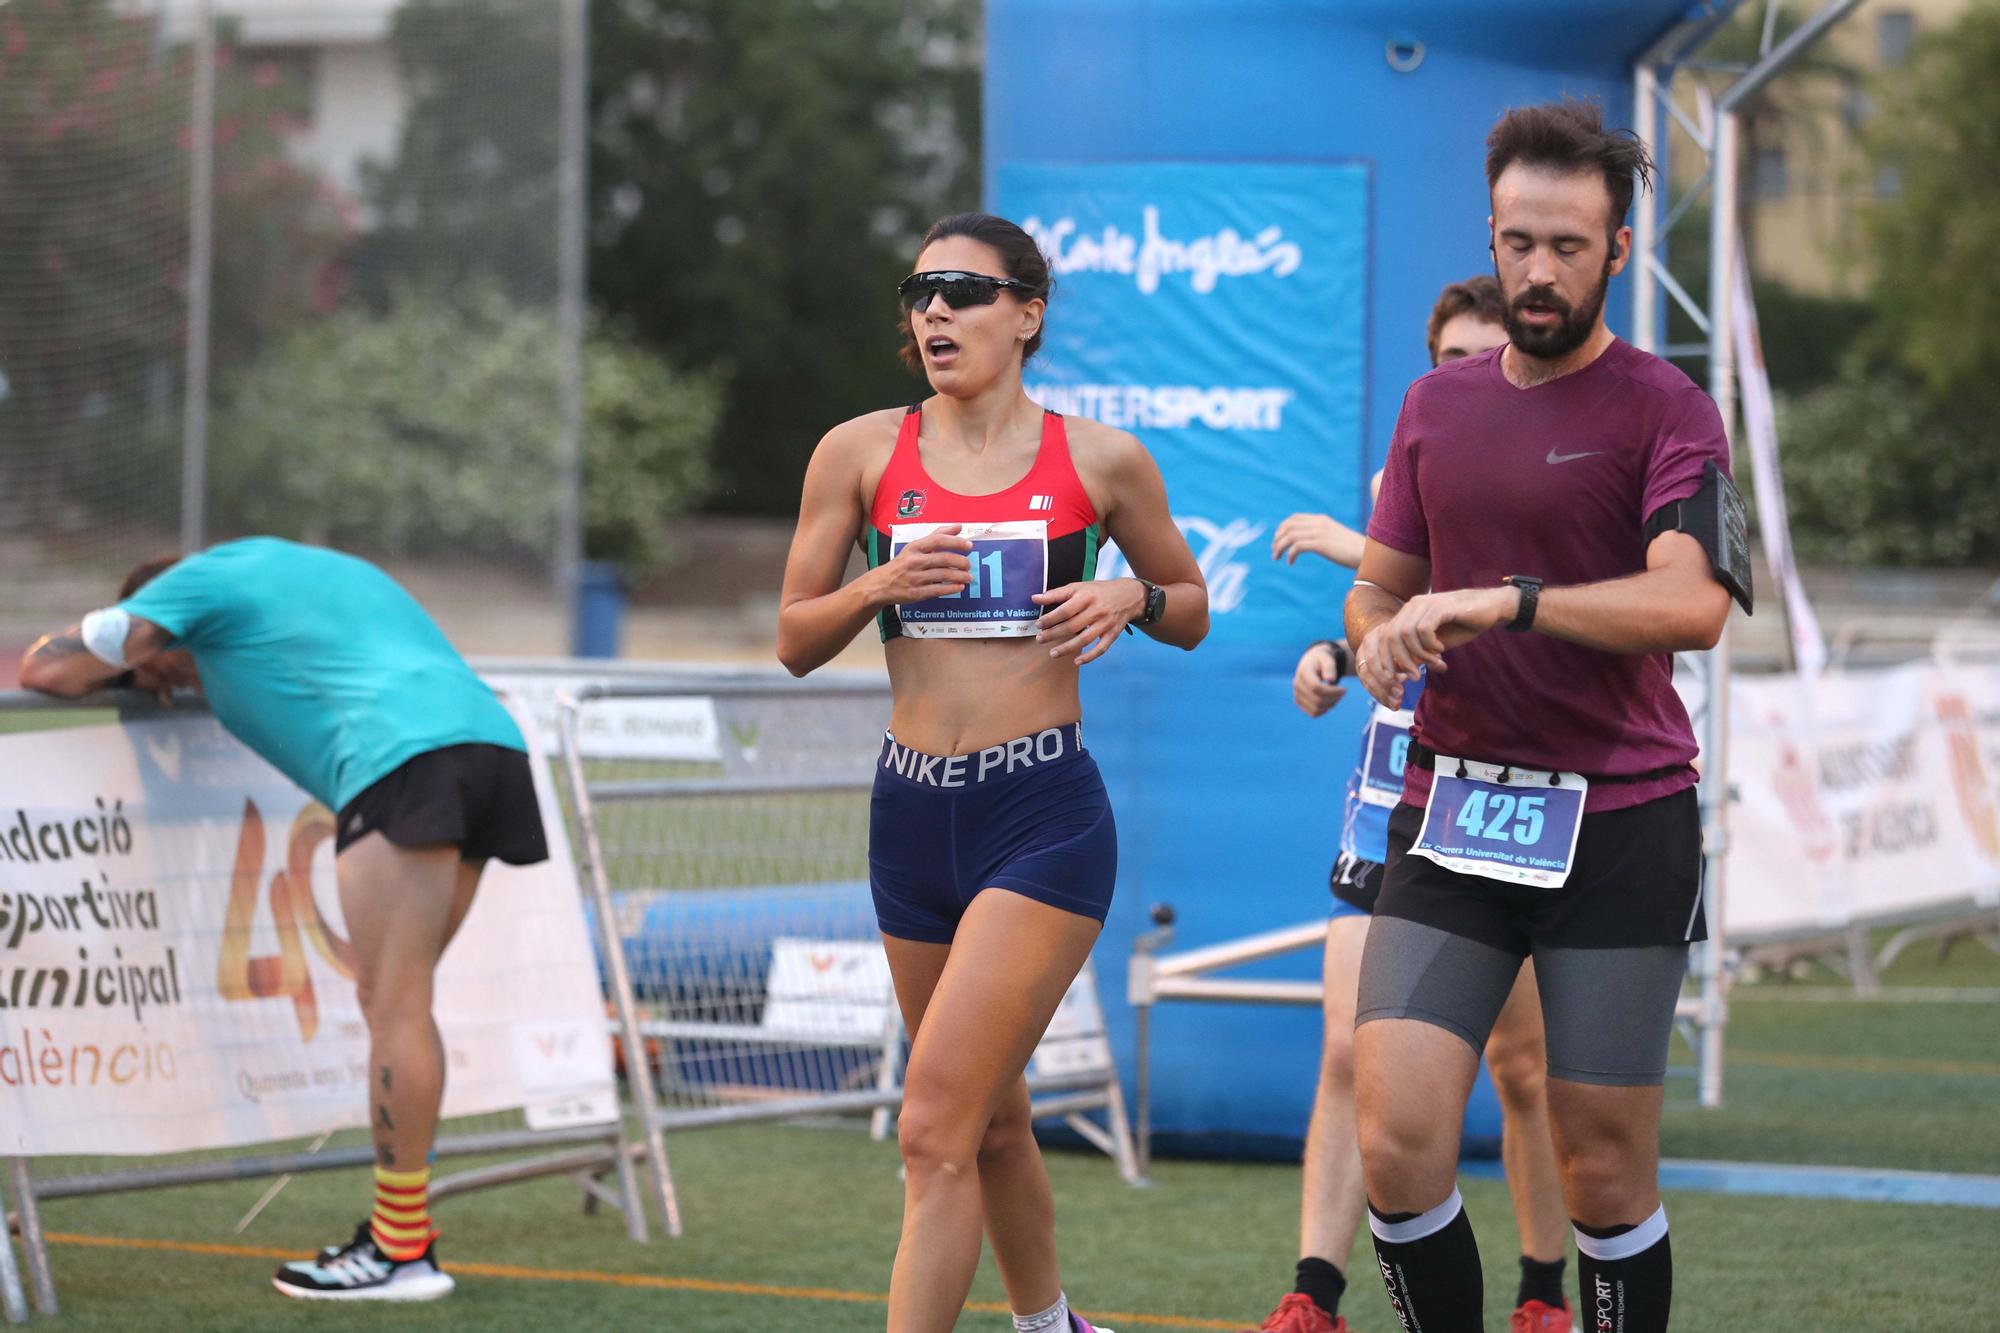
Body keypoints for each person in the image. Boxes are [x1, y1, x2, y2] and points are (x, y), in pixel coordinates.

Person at [1344, 99, 1742, 1333]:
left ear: (1617, 252)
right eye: (1517, 241)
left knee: (1603, 1167)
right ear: (1491, 235)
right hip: (1453, 810)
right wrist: (1374, 645)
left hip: (1620, 820)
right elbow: (1379, 586)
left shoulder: (1666, 409)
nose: (1537, 269)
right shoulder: (1435, 407)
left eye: (1567, 246)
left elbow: (1692, 605)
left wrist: (1514, 603)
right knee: (1395, 1138)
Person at [777, 211, 1208, 1333]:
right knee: (992, 1117)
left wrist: (1131, 596)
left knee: (930, 1127)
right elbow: (792, 638)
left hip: (1042, 816)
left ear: (1027, 313)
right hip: (910, 816)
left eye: (963, 291)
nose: (934, 312)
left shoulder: (1100, 458)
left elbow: (1191, 607)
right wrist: (877, 586)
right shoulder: (859, 451)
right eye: (919, 292)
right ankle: (1048, 1323)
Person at [19, 538, 548, 1303]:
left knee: (394, 1006)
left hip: (400, 757)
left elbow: (49, 668)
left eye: (160, 671)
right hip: (491, 749)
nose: (170, 686)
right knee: (405, 1003)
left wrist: (126, 649)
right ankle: (400, 1240)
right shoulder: (299, 569)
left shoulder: (191, 587)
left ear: (160, 627)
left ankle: (401, 1253)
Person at [1249, 276, 1573, 1333]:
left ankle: (1537, 1292)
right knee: (1345, 1048)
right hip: (1393, 786)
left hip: (1501, 795)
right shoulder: (1411, 466)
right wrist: (1330, 655)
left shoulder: (1554, 473)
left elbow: (1484, 596)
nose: (1464, 379)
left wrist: (1347, 544)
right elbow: (1388, 609)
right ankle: (1313, 1291)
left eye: (1483, 358)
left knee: (1520, 1068)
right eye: (1447, 361)